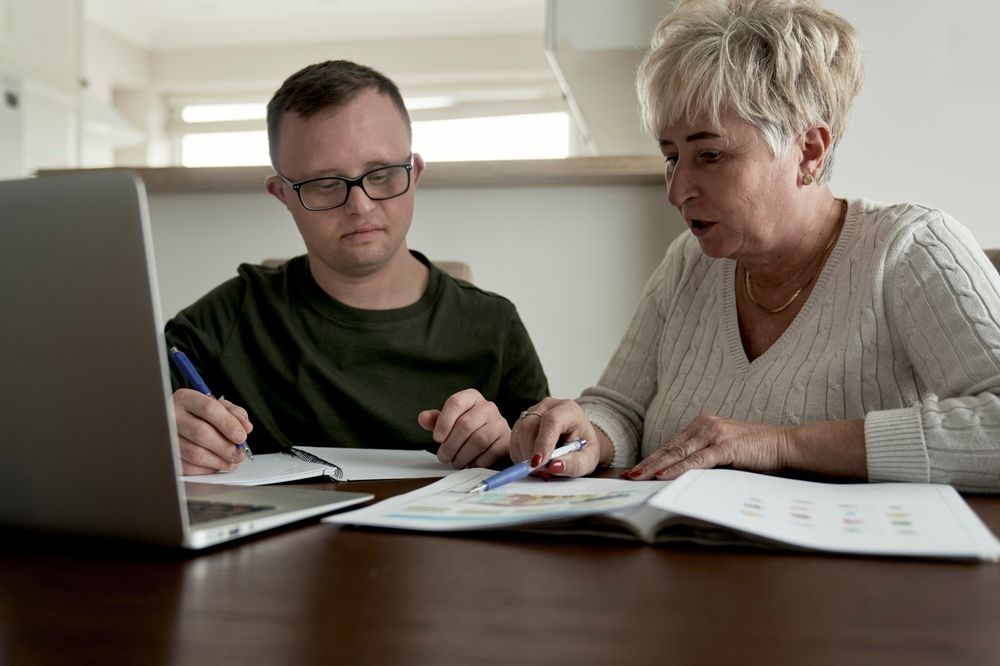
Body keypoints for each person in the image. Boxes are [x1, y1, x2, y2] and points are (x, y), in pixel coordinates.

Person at [511, 0, 1000, 492]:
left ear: (809, 150)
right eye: (671, 156)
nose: (677, 191)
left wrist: (783, 444)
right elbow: (620, 408)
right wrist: (586, 434)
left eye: (710, 155)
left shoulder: (911, 250)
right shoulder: (687, 262)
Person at [166, 60, 549, 475]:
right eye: (326, 184)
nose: (360, 205)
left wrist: (509, 450)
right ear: (282, 195)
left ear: (414, 173)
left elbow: (544, 467)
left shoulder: (494, 326)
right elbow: (106, 427)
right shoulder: (224, 321)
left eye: (382, 175)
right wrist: (161, 431)